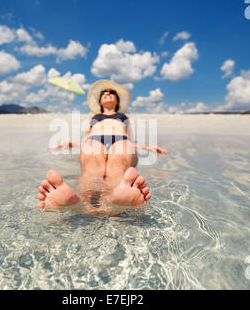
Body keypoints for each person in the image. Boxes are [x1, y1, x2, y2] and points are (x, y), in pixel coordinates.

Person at [36, 80, 168, 215]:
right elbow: (86, 138)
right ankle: (83, 202)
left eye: (112, 92)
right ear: (100, 101)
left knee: (117, 165)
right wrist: (69, 144)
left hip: (121, 139)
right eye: (104, 92)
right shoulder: (94, 117)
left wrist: (146, 147)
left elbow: (131, 139)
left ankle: (114, 200)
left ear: (117, 101)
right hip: (95, 139)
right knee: (92, 167)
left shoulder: (124, 117)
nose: (108, 94)